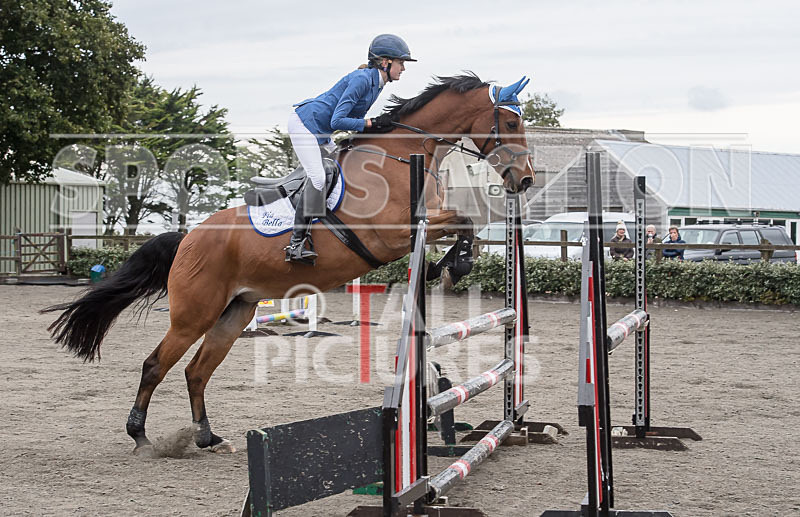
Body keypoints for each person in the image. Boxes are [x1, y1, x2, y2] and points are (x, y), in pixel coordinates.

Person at [285, 34, 416, 265]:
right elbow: (338, 121)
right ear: (385, 62)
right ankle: (295, 244)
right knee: (318, 179)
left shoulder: (377, 84)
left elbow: (354, 120)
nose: (403, 68)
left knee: (341, 170)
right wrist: (371, 123)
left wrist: (378, 126)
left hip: (322, 131)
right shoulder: (362, 79)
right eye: (401, 62)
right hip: (306, 124)